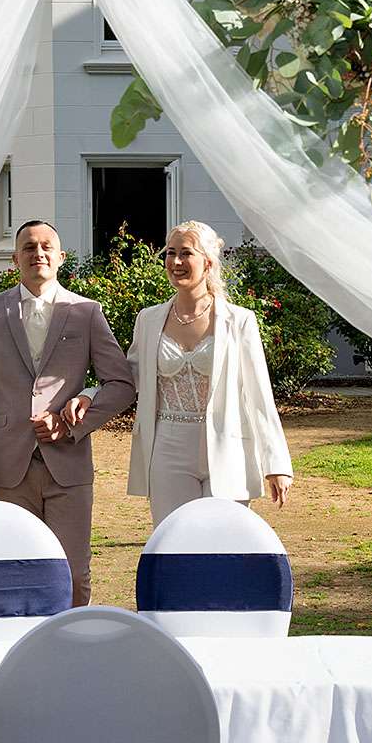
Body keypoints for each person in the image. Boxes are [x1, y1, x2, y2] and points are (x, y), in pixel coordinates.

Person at [0, 220, 135, 606]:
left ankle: (70, 654)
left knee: (73, 572)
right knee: (15, 568)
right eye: (29, 247)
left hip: (69, 466)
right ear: (15, 257)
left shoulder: (86, 312)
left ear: (61, 257)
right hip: (9, 466)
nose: (39, 253)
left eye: (47, 246)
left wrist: (77, 421)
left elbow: (121, 385)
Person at [68, 221, 292, 526]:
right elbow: (127, 378)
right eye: (170, 253)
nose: (175, 262)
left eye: (185, 253)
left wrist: (276, 463)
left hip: (227, 448)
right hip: (167, 447)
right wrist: (88, 395)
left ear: (208, 262)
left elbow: (259, 395)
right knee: (175, 543)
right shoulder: (148, 320)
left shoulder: (239, 321)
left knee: (223, 545)